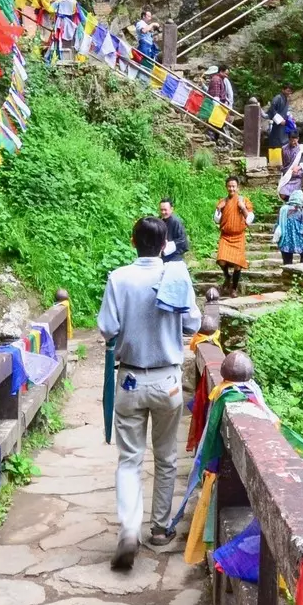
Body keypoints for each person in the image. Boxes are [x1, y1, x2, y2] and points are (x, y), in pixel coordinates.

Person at [97, 215, 201, 570]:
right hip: (168, 380)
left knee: (130, 460)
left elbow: (107, 328)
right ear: (163, 246)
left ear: (132, 242)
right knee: (167, 456)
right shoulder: (175, 275)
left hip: (129, 380)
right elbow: (192, 324)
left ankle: (129, 530)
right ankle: (159, 528)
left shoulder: (119, 277)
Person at [213, 176, 254, 294]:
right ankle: (227, 277)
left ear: (237, 187)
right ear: (226, 187)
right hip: (225, 236)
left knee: (237, 264)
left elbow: (250, 219)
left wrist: (242, 208)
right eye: (229, 186)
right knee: (221, 260)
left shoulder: (244, 200)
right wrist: (218, 209)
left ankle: (234, 288)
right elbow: (216, 220)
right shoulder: (222, 201)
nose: (231, 189)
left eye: (233, 186)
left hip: (238, 236)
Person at [275, 189, 303, 266]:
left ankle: (288, 275)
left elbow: (277, 224)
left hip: (285, 240)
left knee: (287, 261)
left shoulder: (283, 209)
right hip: (299, 239)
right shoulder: (302, 211)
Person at [157, 198, 189, 262]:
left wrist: (166, 249)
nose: (163, 212)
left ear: (171, 209)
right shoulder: (159, 220)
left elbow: (182, 240)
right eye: (161, 210)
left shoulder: (176, 222)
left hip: (174, 255)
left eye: (165, 210)